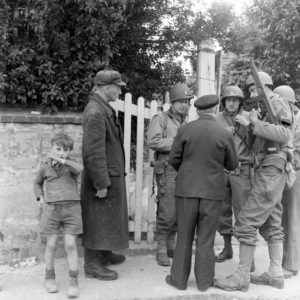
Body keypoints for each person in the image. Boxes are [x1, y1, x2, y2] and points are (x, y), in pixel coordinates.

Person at [214, 71, 294, 292]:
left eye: (252, 89)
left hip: (271, 168)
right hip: (269, 168)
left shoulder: (277, 103)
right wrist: (251, 125)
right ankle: (276, 273)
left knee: (246, 222)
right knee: (272, 222)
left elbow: (285, 134)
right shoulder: (266, 108)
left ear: (263, 86)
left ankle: (241, 276)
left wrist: (254, 123)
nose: (250, 93)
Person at [165, 95, 238, 291]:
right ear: (215, 110)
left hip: (186, 190)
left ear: (197, 111)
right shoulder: (224, 133)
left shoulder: (184, 129)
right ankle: (204, 282)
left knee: (184, 236)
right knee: (206, 239)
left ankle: (178, 280)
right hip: (212, 192)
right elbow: (232, 165)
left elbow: (173, 159)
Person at [81, 69, 128, 281]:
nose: (120, 90)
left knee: (106, 219)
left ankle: (104, 253)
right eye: (118, 87)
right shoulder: (95, 112)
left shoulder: (101, 108)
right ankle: (92, 264)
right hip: (102, 177)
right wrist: (100, 182)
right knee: (96, 220)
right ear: (107, 88)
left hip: (110, 173)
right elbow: (93, 152)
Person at [147, 83, 193, 266]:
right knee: (168, 210)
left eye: (187, 102)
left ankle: (170, 245)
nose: (184, 105)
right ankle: (160, 249)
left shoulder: (185, 122)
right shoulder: (161, 118)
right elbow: (153, 141)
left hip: (184, 169)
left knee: (179, 209)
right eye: (181, 102)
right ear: (172, 102)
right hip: (167, 169)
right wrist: (178, 142)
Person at [34, 132, 83, 298]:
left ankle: (74, 282)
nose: (62, 152)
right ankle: (49, 277)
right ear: (52, 148)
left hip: (71, 209)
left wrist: (62, 160)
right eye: (58, 149)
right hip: (52, 210)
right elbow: (37, 182)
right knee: (51, 244)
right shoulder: (44, 166)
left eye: (66, 150)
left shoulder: (72, 165)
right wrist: (40, 196)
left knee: (70, 244)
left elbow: (80, 169)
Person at [215, 86, 254, 270]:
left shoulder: (249, 116)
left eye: (235, 100)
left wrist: (249, 126)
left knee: (243, 213)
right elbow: (211, 143)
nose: (231, 103)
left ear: (240, 102)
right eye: (228, 100)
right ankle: (227, 248)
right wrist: (224, 134)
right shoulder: (217, 119)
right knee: (222, 212)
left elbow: (259, 142)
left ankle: (248, 257)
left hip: (242, 170)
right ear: (223, 102)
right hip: (222, 170)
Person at [274, 86, 300, 279]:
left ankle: (291, 265)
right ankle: (286, 260)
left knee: (291, 218)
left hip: (295, 173)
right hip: (288, 171)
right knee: (284, 218)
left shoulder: (296, 122)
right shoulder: (290, 119)